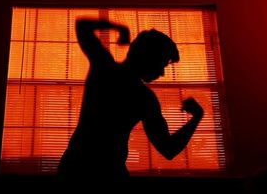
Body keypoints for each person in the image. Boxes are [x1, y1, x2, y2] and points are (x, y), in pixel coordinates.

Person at [57, 18, 204, 181]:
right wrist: (196, 117)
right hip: (104, 172)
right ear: (148, 58)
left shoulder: (104, 68)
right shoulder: (144, 98)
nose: (162, 73)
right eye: (161, 64)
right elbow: (168, 148)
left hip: (78, 167)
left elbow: (83, 27)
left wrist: (119, 28)